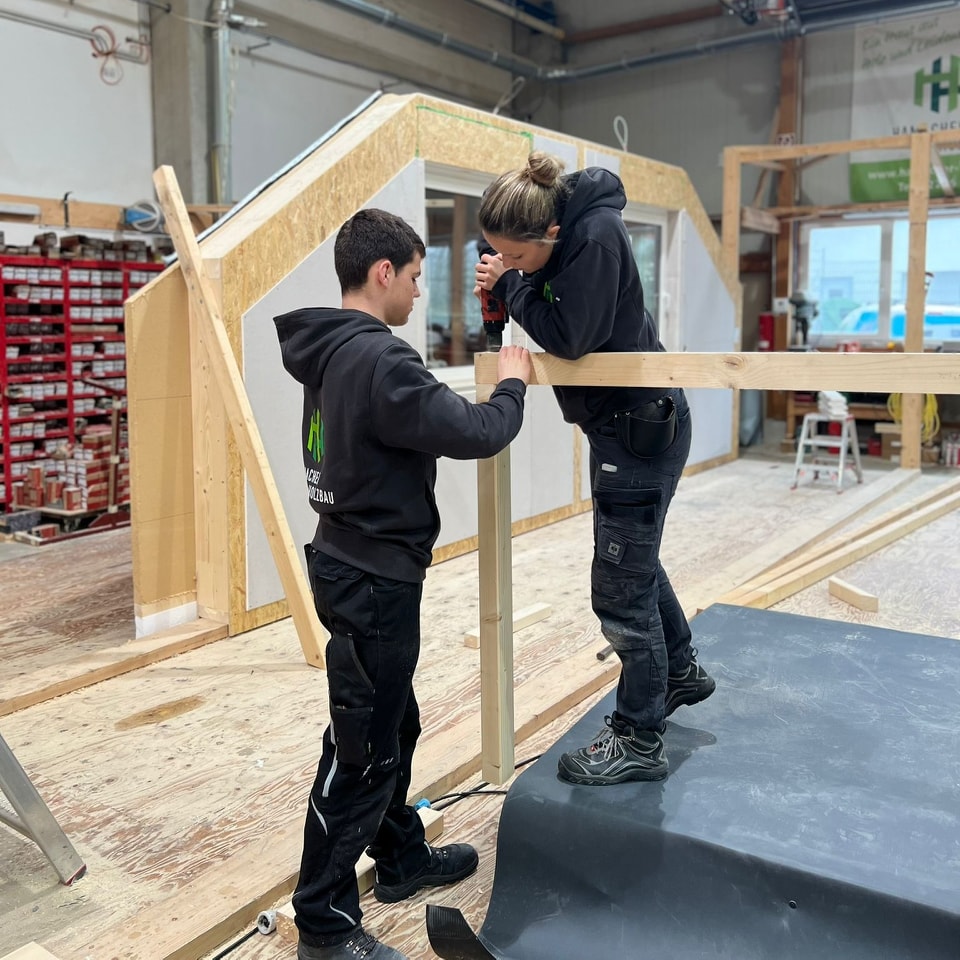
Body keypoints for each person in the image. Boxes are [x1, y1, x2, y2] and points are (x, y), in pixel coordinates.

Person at [274, 208, 531, 960]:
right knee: (362, 751)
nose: (420, 291)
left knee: (394, 725)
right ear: (382, 272)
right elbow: (477, 432)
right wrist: (512, 385)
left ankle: (400, 857)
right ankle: (323, 925)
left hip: (347, 561)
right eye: (416, 277)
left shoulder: (330, 347)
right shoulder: (382, 359)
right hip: (372, 578)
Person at [474, 152, 715, 788]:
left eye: (518, 255)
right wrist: (510, 285)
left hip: (638, 429)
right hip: (623, 426)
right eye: (501, 254)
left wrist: (512, 287)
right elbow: (546, 315)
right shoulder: (567, 239)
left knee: (618, 589)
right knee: (633, 565)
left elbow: (571, 336)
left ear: (551, 232)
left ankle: (639, 738)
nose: (511, 263)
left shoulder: (595, 236)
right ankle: (678, 670)